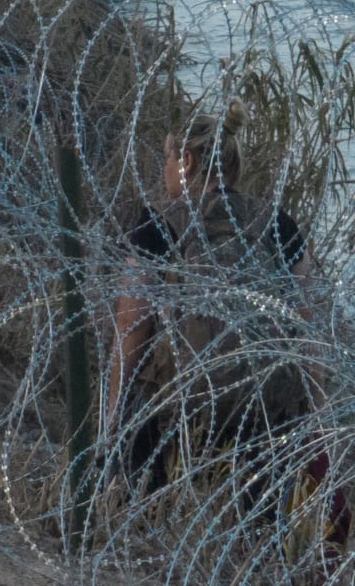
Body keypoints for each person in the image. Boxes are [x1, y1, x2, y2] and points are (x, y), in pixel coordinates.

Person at [106, 101, 315, 487]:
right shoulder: (278, 223)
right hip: (264, 409)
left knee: (136, 414)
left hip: (182, 407)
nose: (163, 168)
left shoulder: (157, 225)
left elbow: (130, 333)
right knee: (261, 531)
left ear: (185, 160)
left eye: (166, 157)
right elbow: (302, 328)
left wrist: (113, 423)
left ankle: (147, 505)